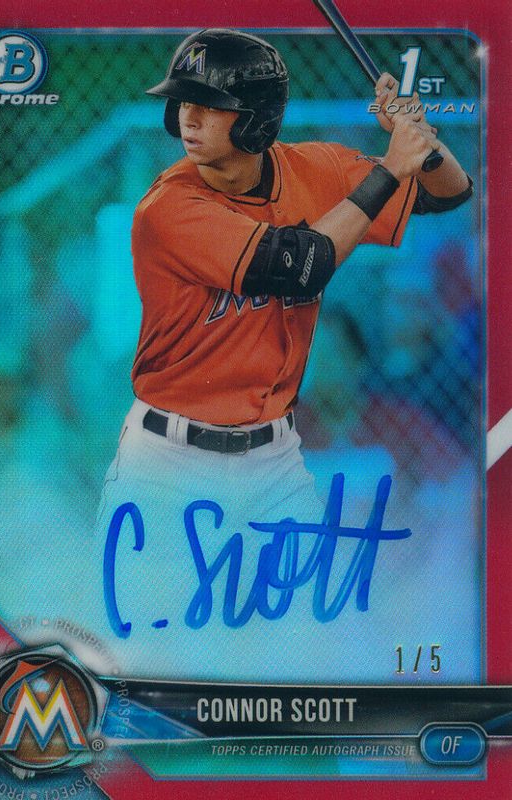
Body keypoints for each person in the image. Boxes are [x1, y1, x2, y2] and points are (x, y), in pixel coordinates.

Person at [93, 29, 472, 681]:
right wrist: (390, 167)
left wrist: (418, 141)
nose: (188, 118)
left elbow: (448, 193)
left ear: (258, 117)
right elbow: (300, 265)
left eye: (209, 104)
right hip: (170, 460)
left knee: (316, 648)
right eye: (183, 102)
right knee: (161, 665)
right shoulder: (169, 206)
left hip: (272, 456)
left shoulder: (312, 169)